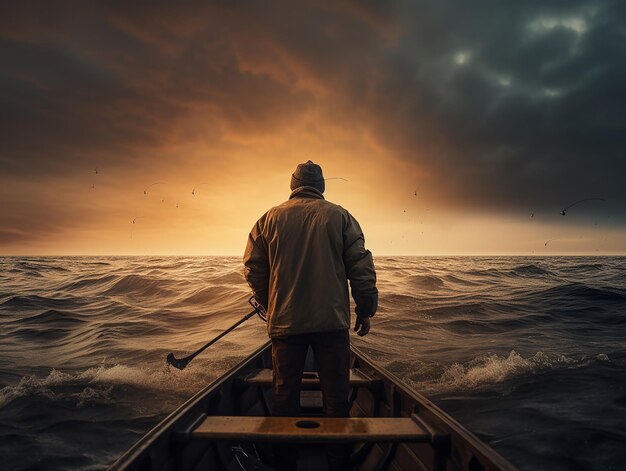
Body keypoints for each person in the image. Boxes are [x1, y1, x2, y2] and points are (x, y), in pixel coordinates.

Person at [243, 160, 378, 470]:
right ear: (321, 187)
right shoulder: (340, 216)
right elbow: (361, 265)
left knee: (283, 397)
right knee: (336, 398)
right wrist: (366, 309)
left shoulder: (269, 219)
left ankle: (284, 462)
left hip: (285, 324)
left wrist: (268, 303)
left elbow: (253, 266)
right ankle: (338, 463)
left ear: (293, 186)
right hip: (331, 324)